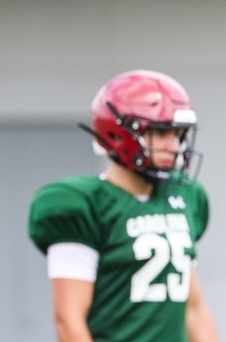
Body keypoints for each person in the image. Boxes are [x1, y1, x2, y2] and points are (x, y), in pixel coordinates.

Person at [28, 70, 219, 342]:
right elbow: (69, 322)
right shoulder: (81, 204)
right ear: (119, 135)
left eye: (177, 134)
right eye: (162, 133)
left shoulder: (184, 196)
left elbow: (194, 310)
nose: (174, 145)